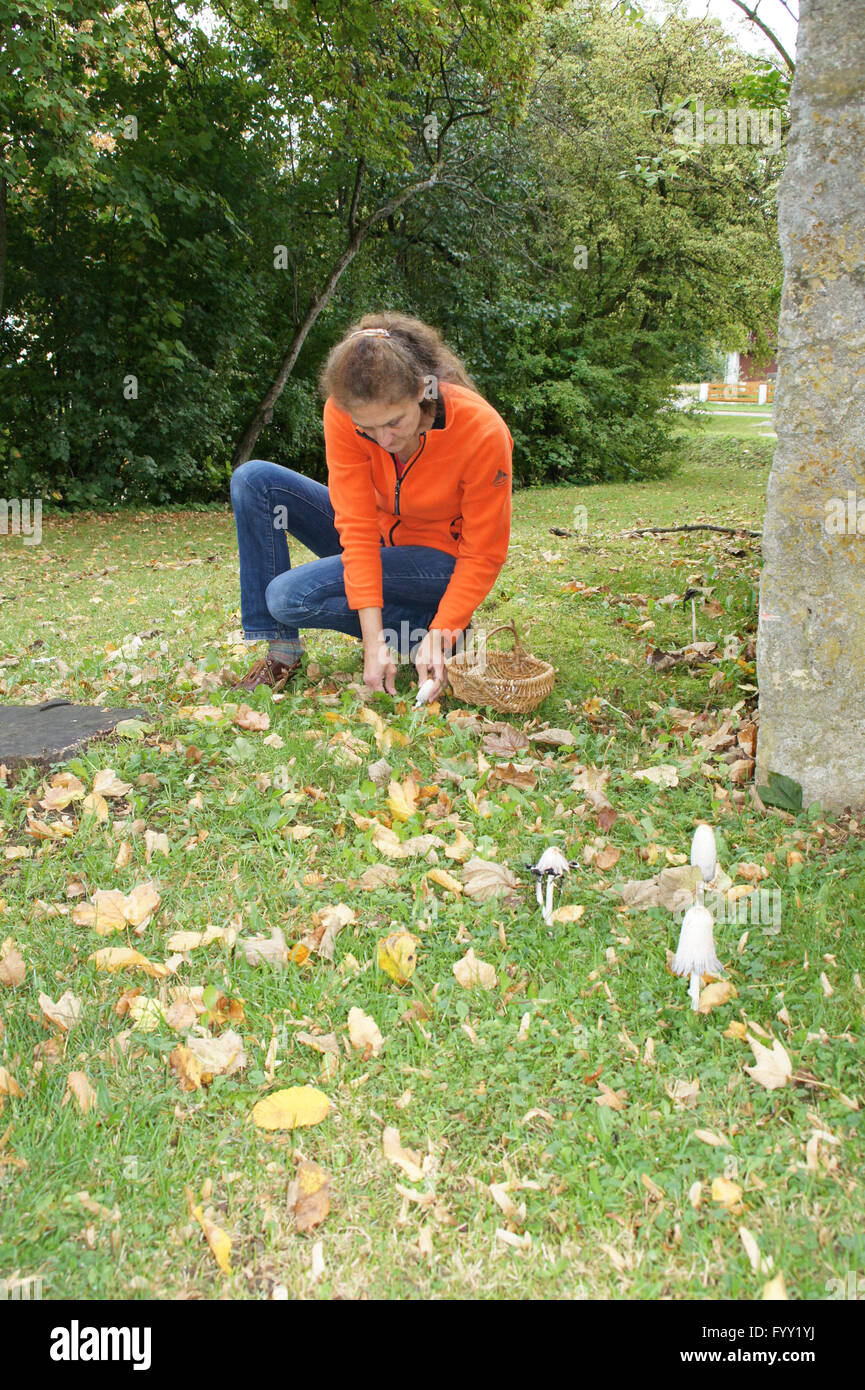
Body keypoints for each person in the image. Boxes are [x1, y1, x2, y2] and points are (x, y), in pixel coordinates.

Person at [227, 311, 513, 700]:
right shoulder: (344, 413)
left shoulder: (481, 431)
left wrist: (444, 625)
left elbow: (483, 552)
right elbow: (357, 529)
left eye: (394, 421)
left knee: (286, 597)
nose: (383, 438)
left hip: (438, 561)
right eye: (368, 428)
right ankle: (283, 650)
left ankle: (431, 632)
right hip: (379, 540)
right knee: (254, 480)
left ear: (421, 391)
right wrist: (373, 641)